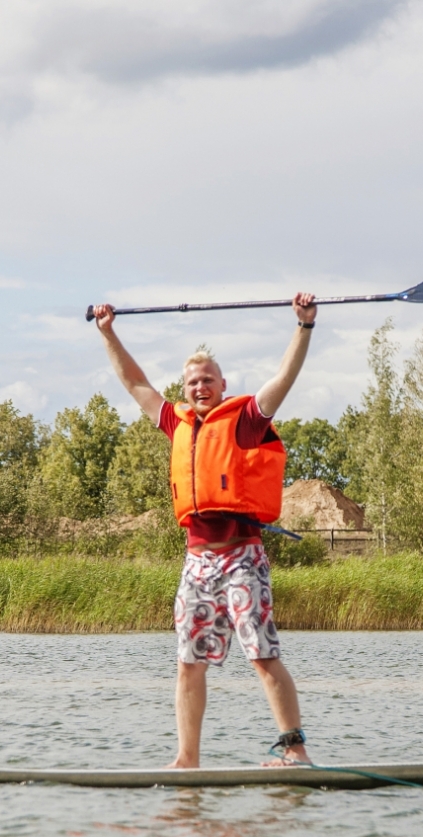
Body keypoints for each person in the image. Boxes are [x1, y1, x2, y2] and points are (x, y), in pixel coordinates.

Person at [94, 293, 318, 768]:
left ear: (222, 385)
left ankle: (295, 751)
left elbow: (283, 379)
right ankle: (187, 758)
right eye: (193, 381)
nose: (200, 387)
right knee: (188, 663)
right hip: (197, 562)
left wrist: (303, 327)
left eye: (208, 380)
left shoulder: (245, 421)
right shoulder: (175, 423)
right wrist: (108, 332)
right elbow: (134, 382)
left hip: (241, 556)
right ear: (185, 387)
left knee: (260, 653)